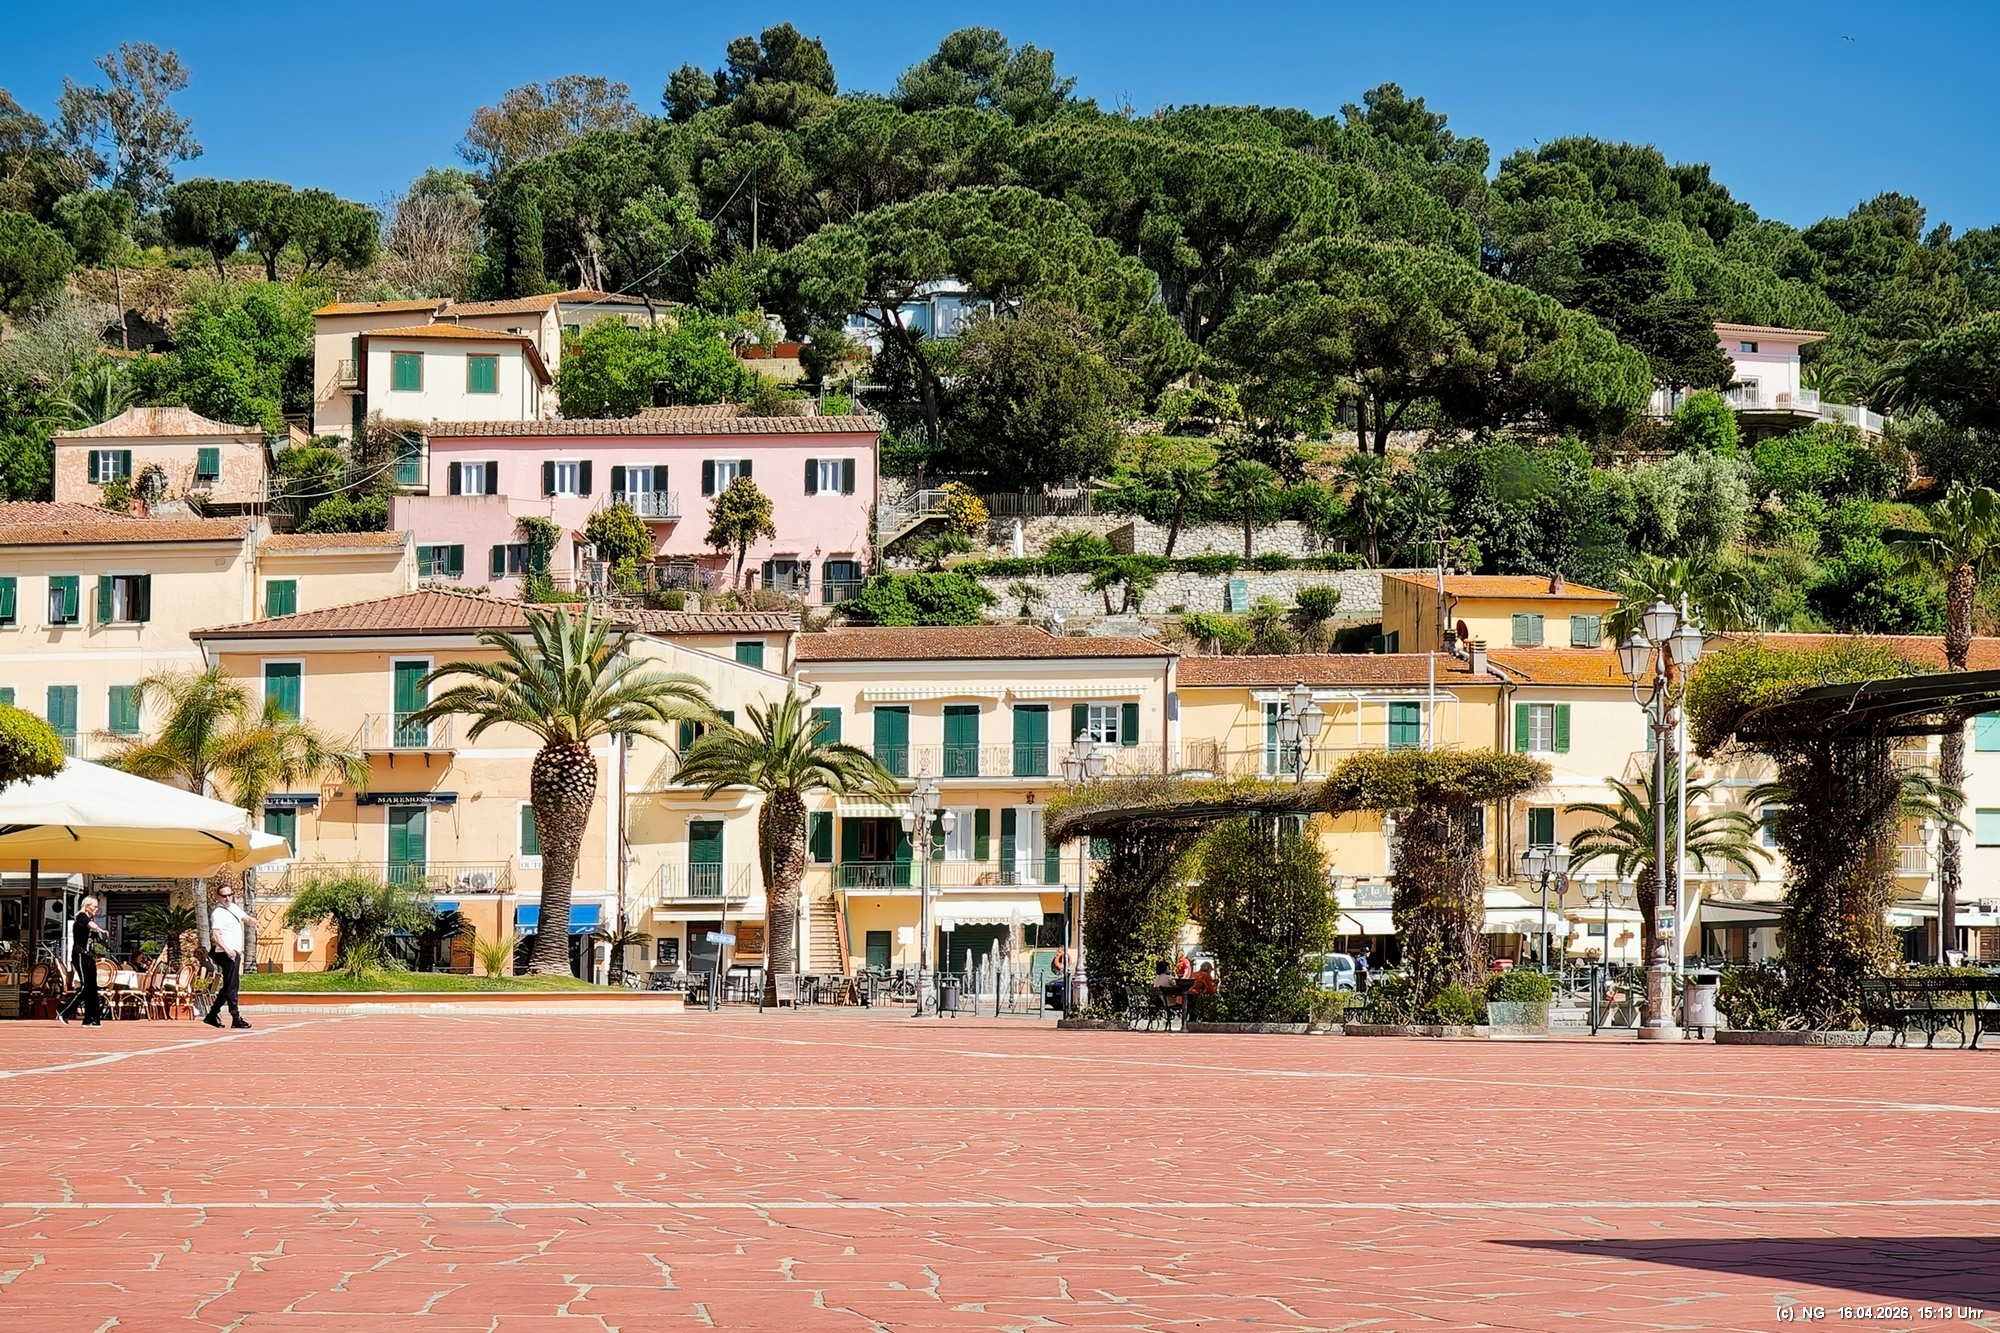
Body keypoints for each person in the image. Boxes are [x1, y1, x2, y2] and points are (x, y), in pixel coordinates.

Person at [205, 884, 252, 1030]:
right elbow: (215, 935)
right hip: (225, 953)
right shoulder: (218, 913)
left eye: (230, 895)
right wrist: (227, 950)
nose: (227, 898)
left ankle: (212, 1014)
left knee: (228, 985)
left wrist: (254, 921)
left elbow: (245, 917)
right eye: (224, 896)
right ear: (218, 897)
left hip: (234, 952)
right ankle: (235, 1017)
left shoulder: (233, 908)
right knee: (232, 986)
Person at [56, 896, 106, 1026]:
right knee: (85, 986)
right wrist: (100, 929)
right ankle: (64, 1010)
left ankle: (92, 1019)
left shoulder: (90, 918)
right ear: (87, 906)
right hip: (80, 954)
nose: (96, 909)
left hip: (89, 955)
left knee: (92, 987)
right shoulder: (81, 916)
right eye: (94, 906)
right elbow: (91, 925)